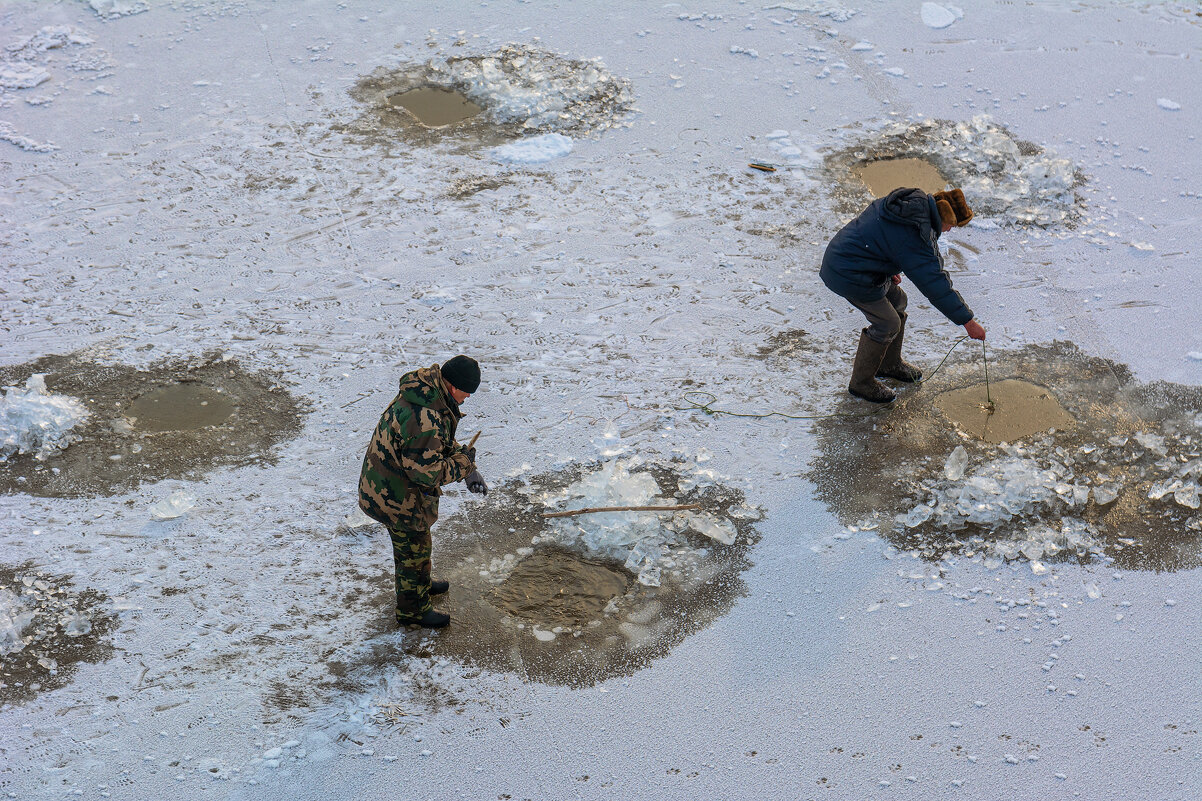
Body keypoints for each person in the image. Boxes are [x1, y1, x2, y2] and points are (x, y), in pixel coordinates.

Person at [820, 186, 987, 404]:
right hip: (847, 273)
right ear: (943, 217)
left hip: (852, 259)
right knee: (887, 323)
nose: (948, 231)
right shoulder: (915, 235)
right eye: (951, 226)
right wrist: (968, 322)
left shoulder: (911, 206)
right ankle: (861, 383)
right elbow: (935, 284)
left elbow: (882, 238)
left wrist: (888, 269)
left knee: (898, 300)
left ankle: (888, 364)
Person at [358, 355, 488, 628]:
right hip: (395, 496)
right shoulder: (425, 416)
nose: (466, 399)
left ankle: (420, 584)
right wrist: (464, 465)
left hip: (391, 484)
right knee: (411, 552)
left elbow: (437, 444)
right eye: (467, 392)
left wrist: (465, 462)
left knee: (418, 546)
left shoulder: (427, 395)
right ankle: (412, 610)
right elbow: (427, 473)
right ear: (454, 387)